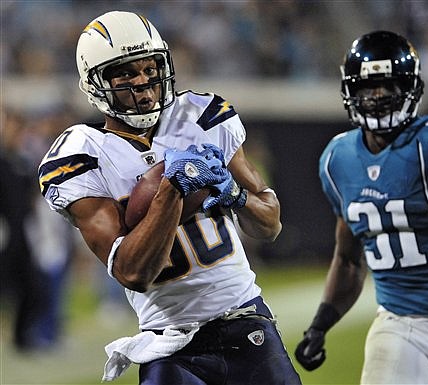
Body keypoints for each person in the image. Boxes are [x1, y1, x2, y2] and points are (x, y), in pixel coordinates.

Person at [38, 11, 301, 385]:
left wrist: (234, 193)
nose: (143, 84)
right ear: (95, 83)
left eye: (150, 69)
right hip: (170, 344)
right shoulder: (83, 153)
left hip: (245, 320)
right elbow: (133, 272)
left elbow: (270, 224)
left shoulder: (202, 116)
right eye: (126, 74)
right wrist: (172, 190)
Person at [295, 30, 428, 384]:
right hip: (400, 323)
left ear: (410, 88)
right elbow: (349, 259)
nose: (377, 97)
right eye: (368, 88)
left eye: (388, 87)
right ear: (351, 91)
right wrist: (321, 324)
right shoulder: (338, 159)